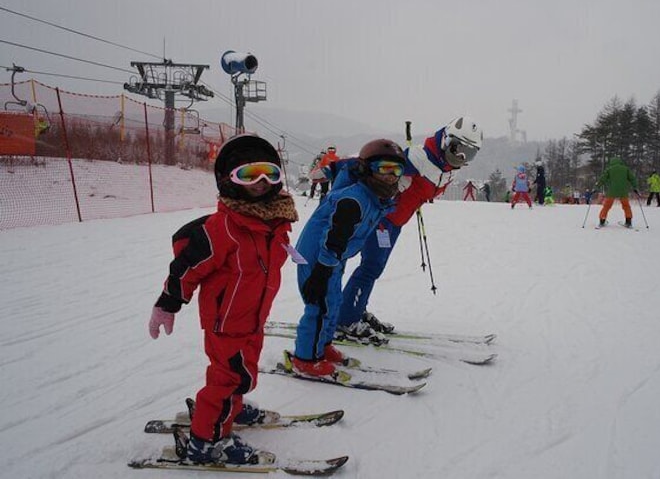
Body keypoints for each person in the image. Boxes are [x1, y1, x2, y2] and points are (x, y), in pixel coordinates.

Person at [147, 134, 299, 464]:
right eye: (248, 174)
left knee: (244, 374)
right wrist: (168, 303)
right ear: (228, 180)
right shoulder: (223, 228)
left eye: (268, 173)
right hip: (226, 323)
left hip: (253, 319)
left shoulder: (274, 222)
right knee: (228, 380)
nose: (260, 183)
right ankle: (207, 441)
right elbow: (187, 269)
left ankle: (232, 409)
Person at [335, 117, 483, 343]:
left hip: (395, 222)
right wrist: (333, 168)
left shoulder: (449, 167)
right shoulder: (419, 158)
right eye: (458, 149)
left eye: (469, 154)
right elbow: (372, 165)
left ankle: (355, 308)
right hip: (381, 219)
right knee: (371, 268)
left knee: (373, 268)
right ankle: (345, 319)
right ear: (446, 141)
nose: (461, 157)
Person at [291, 139, 406, 375]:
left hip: (333, 257)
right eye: (385, 168)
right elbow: (333, 237)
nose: (391, 176)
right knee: (320, 307)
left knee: (333, 303)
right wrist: (321, 271)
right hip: (319, 256)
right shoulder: (354, 200)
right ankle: (305, 358)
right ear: (367, 169)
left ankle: (323, 346)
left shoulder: (374, 196)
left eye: (397, 170)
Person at [595, 157, 638, 227]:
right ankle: (628, 221)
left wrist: (596, 187)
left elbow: (602, 179)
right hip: (623, 191)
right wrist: (635, 187)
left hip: (612, 191)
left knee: (606, 206)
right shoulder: (625, 169)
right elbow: (632, 179)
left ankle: (602, 221)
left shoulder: (609, 169)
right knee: (626, 206)